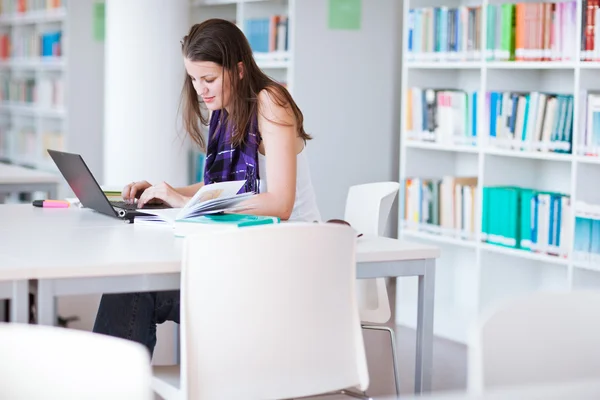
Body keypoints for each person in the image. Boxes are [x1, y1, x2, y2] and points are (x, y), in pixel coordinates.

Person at [92, 19, 321, 356]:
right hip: (246, 256)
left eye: (209, 79)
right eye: (194, 80)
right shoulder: (226, 113)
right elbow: (222, 189)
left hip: (286, 264)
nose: (201, 90)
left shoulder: (271, 101)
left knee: (135, 291)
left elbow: (280, 203)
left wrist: (190, 204)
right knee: (130, 286)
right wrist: (164, 192)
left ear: (239, 70)